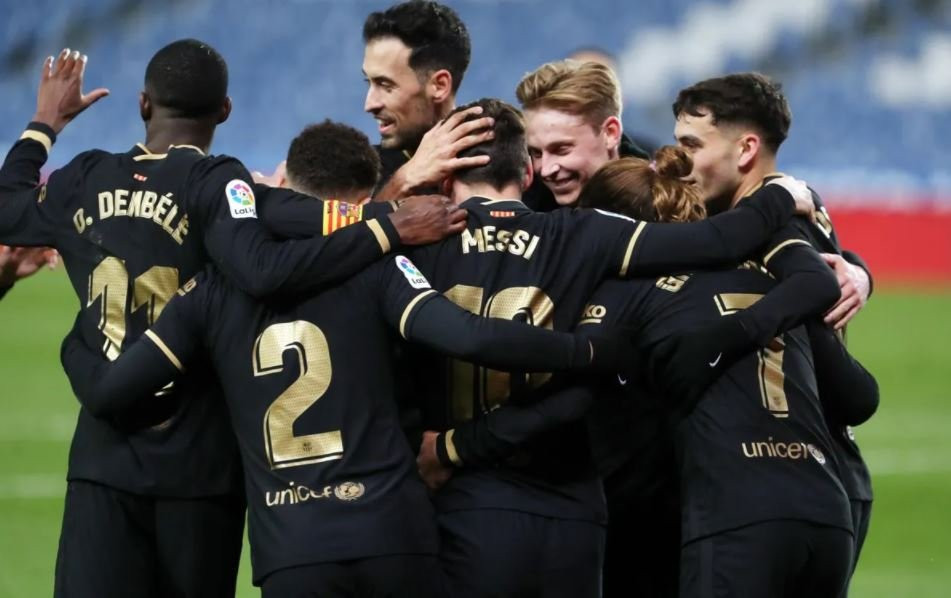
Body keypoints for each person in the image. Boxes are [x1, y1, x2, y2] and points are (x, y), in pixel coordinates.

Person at [0, 43, 460, 597]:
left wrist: (43, 124)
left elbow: (8, 208)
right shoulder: (218, 184)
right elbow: (270, 256)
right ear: (224, 111)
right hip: (202, 465)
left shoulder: (82, 177)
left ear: (144, 104)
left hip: (104, 460)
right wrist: (386, 219)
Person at [403, 97, 813, 597]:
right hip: (574, 509)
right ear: (529, 173)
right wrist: (783, 193)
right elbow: (720, 241)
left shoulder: (409, 244)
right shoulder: (585, 233)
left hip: (467, 499)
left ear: (444, 178)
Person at [58, 244, 626, 596]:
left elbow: (115, 392)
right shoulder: (378, 271)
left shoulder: (216, 286)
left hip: (293, 550)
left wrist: (74, 347)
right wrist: (586, 353)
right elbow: (468, 336)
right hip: (393, 536)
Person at [672, 73, 876, 590]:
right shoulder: (795, 206)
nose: (679, 162)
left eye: (692, 145)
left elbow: (838, 373)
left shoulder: (769, 224)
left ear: (745, 149)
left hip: (802, 462)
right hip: (821, 472)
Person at [362, 0, 494, 199]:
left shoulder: (507, 163)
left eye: (385, 85)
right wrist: (403, 181)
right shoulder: (356, 174)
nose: (369, 104)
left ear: (439, 86)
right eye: (368, 82)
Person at [515, 59, 649, 211]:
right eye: (536, 153)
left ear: (610, 133)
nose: (545, 170)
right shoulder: (514, 206)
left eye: (561, 149)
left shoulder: (665, 211)